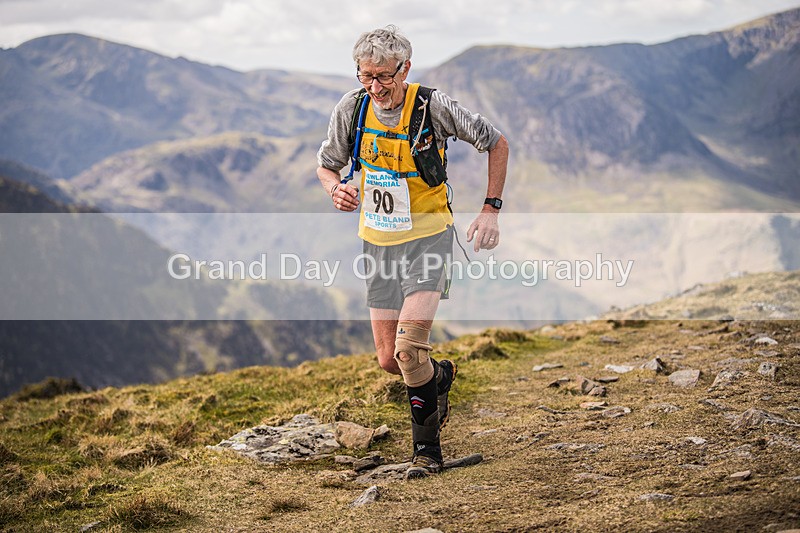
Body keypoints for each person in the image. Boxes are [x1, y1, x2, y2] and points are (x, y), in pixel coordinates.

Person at [317, 25, 508, 479]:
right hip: (378, 244)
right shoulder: (352, 106)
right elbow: (328, 166)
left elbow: (496, 142)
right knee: (390, 360)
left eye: (385, 76)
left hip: (429, 239)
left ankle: (427, 453)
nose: (376, 86)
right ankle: (438, 377)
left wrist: (490, 209)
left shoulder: (433, 107)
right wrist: (336, 190)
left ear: (405, 68)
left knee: (407, 350)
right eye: (366, 75)